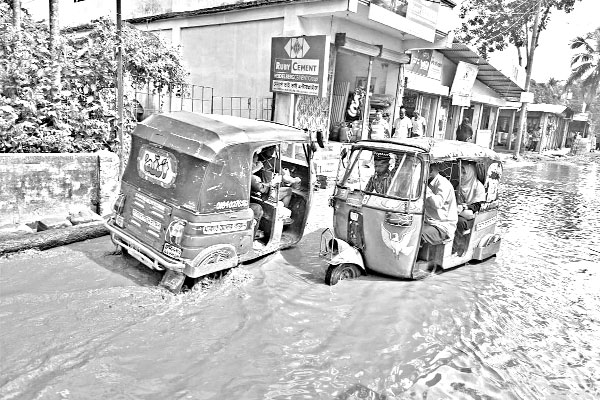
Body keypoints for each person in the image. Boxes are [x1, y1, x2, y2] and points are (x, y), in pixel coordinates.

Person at [421, 162, 458, 245]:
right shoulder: (426, 182)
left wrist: (424, 188)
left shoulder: (443, 184)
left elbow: (437, 204)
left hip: (441, 226)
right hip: (426, 221)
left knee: (418, 235)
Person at [453, 162, 485, 254]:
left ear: (471, 173)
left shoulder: (478, 187)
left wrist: (464, 207)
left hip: (471, 215)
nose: (461, 176)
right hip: (460, 212)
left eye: (464, 173)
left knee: (460, 221)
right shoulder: (459, 186)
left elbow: (477, 206)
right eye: (460, 172)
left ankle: (458, 249)